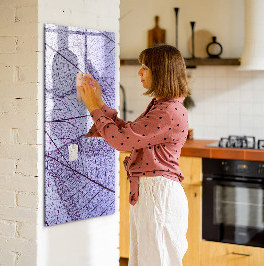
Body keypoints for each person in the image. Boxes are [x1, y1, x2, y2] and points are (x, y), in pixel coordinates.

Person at [77, 44, 190, 266]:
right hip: (152, 194)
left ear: (161, 71)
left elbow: (121, 141)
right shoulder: (163, 106)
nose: (139, 72)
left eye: (145, 67)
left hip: (158, 196)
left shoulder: (167, 111)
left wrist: (93, 107)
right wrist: (99, 103)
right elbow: (129, 133)